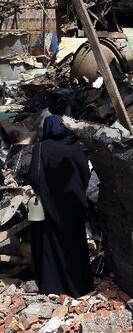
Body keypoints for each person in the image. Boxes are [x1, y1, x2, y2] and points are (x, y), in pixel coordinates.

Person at [28, 115, 94, 297]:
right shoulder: (75, 148)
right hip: (74, 205)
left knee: (50, 244)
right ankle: (80, 286)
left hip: (49, 205)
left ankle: (51, 287)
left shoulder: (40, 148)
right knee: (75, 244)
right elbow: (86, 177)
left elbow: (34, 177)